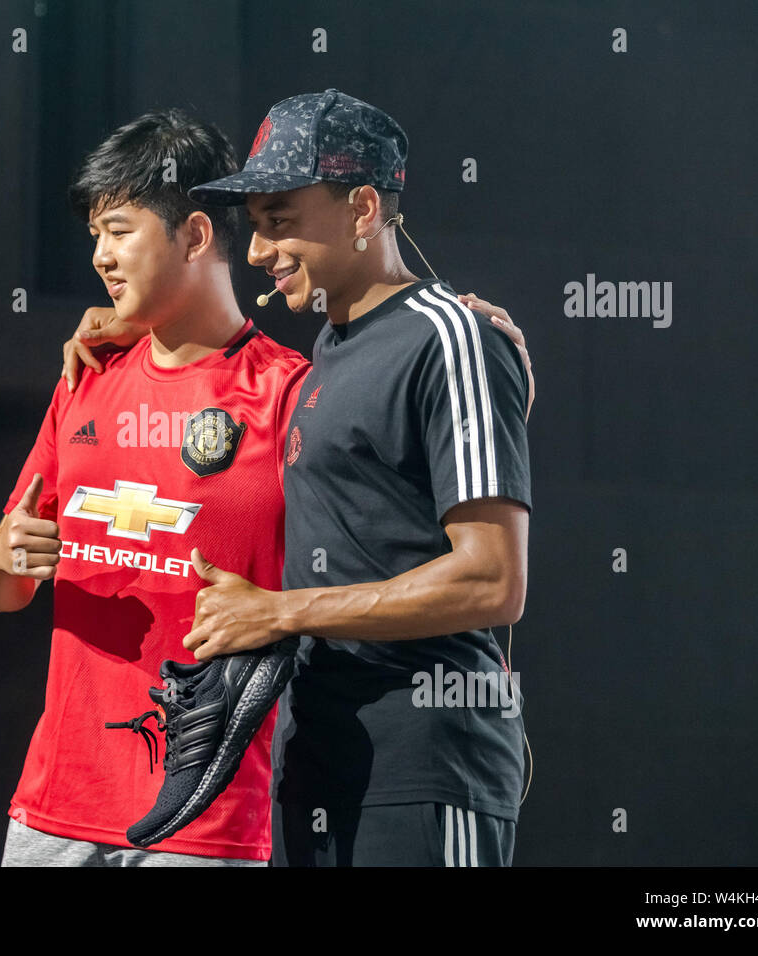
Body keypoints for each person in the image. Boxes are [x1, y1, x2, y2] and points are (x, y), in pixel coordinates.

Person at [64, 89, 534, 866]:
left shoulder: (451, 338)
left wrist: (280, 613)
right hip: (316, 767)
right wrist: (128, 322)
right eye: (254, 226)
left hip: (425, 767)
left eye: (279, 221)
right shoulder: (329, 353)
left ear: (361, 210)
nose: (256, 250)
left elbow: (493, 581)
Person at [0, 108, 308, 865]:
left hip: (207, 823)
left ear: (193, 234)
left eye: (119, 230)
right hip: (54, 813)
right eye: (95, 236)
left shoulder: (291, 396)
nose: (100, 256)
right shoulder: (85, 377)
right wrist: (2, 552)